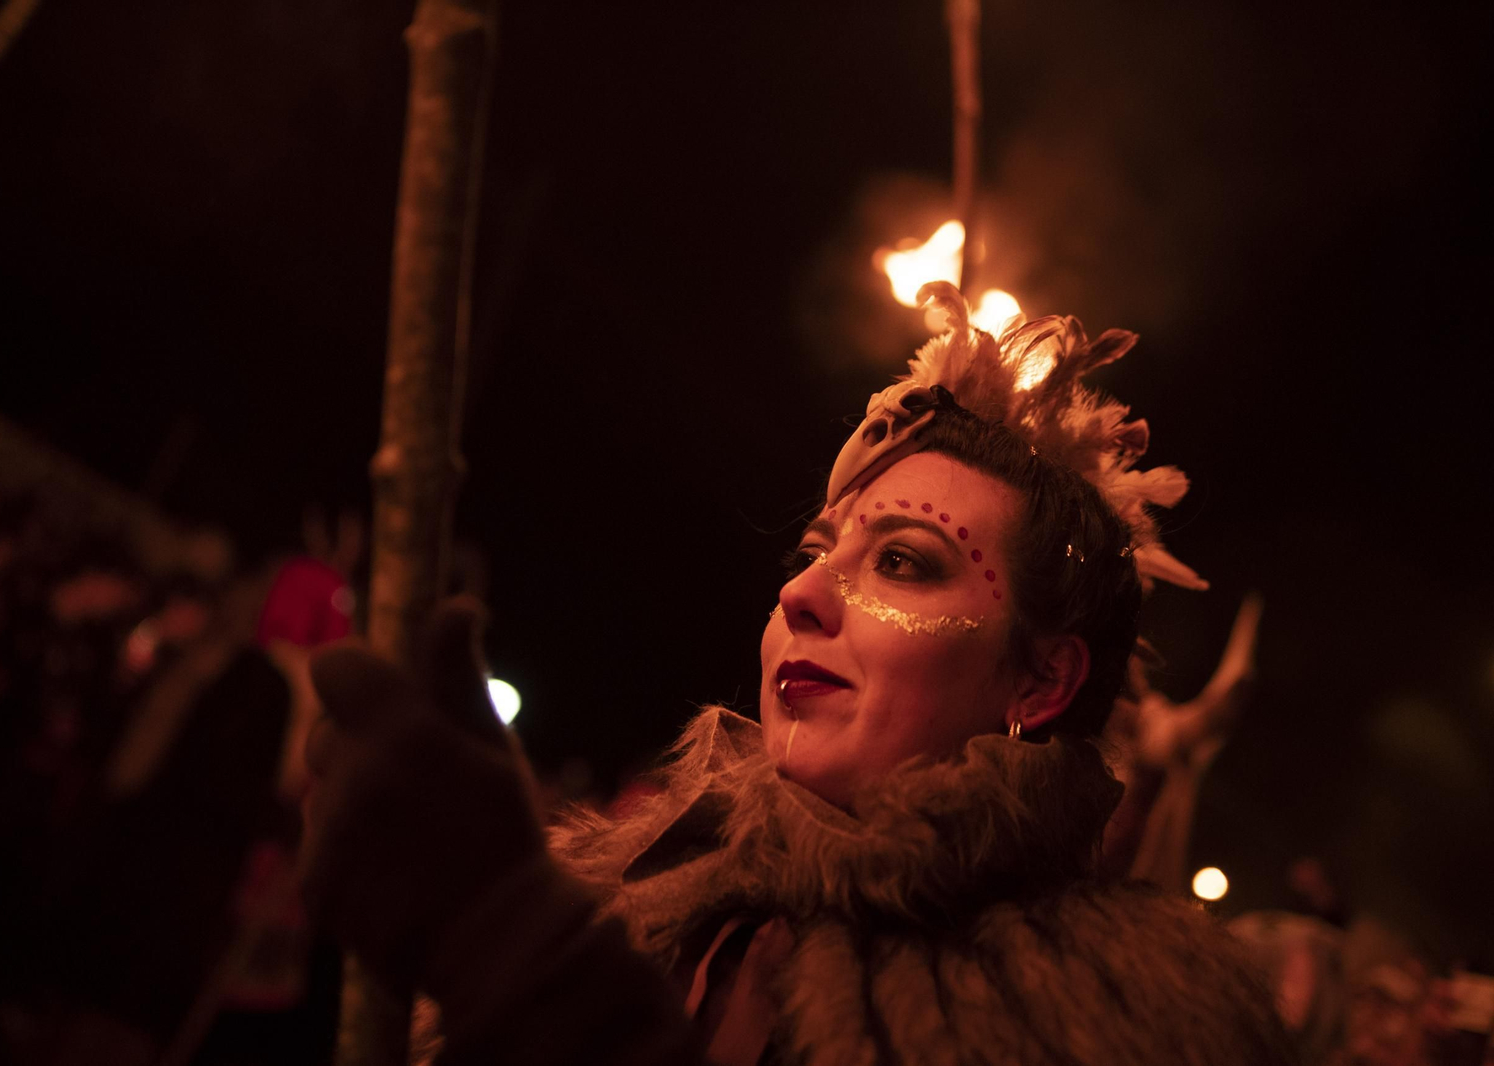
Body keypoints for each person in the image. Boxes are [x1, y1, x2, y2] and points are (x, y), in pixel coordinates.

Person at [300, 282, 1296, 1065]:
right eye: (815, 552)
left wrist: (517, 957)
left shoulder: (1113, 1025)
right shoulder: (632, 890)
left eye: (901, 561)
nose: (802, 597)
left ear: (1038, 683)